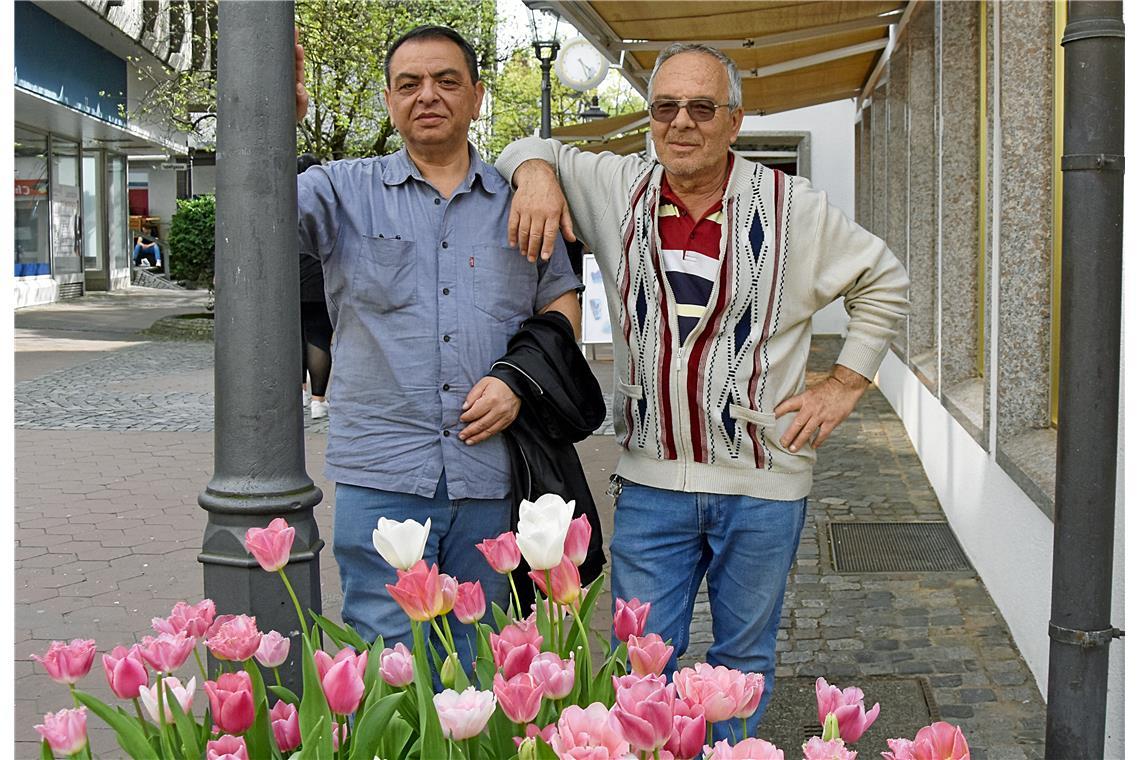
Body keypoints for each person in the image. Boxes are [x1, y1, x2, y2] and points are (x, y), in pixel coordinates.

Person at [496, 43, 910, 740]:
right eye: (665, 107)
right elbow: (523, 142)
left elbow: (885, 281)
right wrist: (537, 172)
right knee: (641, 669)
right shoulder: (616, 187)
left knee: (742, 661)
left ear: (734, 120)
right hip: (652, 487)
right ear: (650, 118)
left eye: (701, 107)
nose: (681, 122)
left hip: (764, 485)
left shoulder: (792, 207)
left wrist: (844, 384)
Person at [294, 26, 582, 670]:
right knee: (388, 663)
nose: (429, 95)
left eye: (447, 81)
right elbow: (255, 221)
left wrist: (518, 379)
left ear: (478, 96)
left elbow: (562, 299)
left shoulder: (522, 200)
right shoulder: (339, 190)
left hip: (491, 474)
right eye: (409, 84)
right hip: (383, 473)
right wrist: (273, 119)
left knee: (484, 662)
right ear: (390, 101)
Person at [297, 153, 333, 420]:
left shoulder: (284, 199)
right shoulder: (326, 200)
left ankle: (298, 393)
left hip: (289, 282)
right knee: (318, 338)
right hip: (319, 282)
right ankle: (318, 401)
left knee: (294, 339)